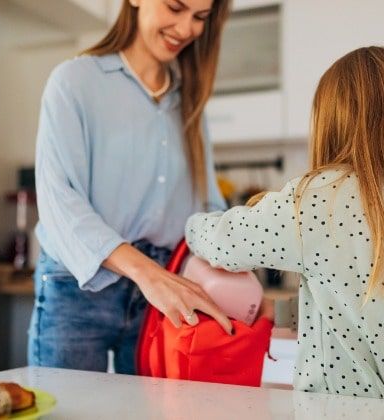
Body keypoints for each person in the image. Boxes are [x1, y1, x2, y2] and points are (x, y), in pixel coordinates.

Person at [184, 46, 384, 405]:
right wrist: (284, 312)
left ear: (333, 119)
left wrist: (192, 222)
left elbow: (226, 243)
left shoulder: (321, 198)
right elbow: (381, 311)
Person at [28, 0, 234, 374]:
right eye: (176, 7)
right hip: (78, 290)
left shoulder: (189, 103)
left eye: (200, 17)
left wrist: (243, 275)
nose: (187, 28)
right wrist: (146, 273)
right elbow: (60, 200)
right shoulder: (75, 81)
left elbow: (208, 207)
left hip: (160, 296)